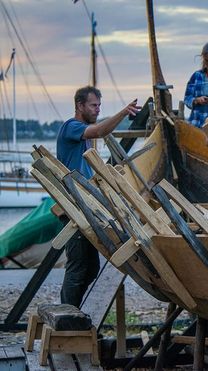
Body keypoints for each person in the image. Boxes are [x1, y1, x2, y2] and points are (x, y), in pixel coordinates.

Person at [56, 86, 140, 307]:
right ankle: (67, 315)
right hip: (73, 207)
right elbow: (99, 131)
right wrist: (123, 113)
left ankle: (74, 311)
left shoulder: (83, 134)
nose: (97, 109)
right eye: (93, 105)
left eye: (99, 105)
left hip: (87, 205)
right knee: (77, 266)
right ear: (79, 105)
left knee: (91, 268)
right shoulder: (71, 127)